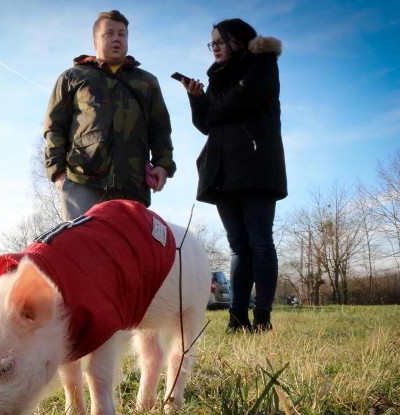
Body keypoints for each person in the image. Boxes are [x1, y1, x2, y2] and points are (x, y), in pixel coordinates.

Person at [177, 18, 287, 332]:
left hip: (256, 166)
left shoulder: (261, 62)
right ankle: (237, 318)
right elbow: (206, 124)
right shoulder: (218, 77)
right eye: (211, 43)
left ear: (238, 40)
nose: (215, 48)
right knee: (239, 246)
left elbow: (244, 99)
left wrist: (215, 105)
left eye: (220, 42)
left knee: (260, 242)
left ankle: (262, 317)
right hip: (223, 171)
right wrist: (197, 98)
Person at [43, 9, 176, 221]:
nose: (116, 39)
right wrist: (58, 173)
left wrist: (163, 164)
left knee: (127, 251)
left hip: (132, 185)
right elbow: (54, 126)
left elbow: (160, 127)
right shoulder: (73, 77)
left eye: (122, 34)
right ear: (95, 41)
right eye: (109, 34)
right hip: (82, 180)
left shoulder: (147, 82)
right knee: (83, 249)